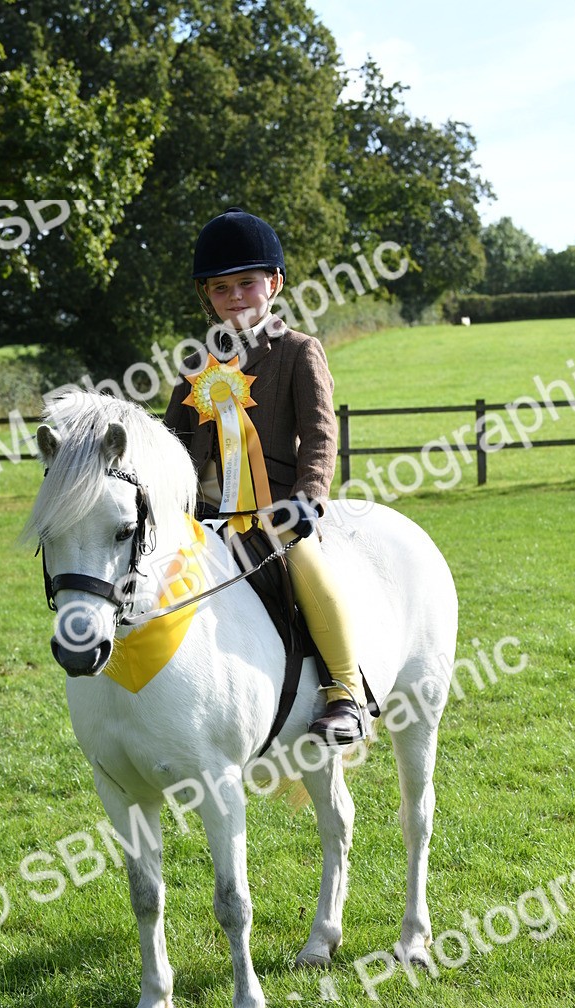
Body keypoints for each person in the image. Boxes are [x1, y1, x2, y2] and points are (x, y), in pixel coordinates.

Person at [163, 206, 368, 743]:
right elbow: (174, 445)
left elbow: (322, 435)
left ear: (273, 284)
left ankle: (345, 691)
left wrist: (308, 498)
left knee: (304, 565)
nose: (234, 298)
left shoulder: (300, 352)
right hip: (203, 517)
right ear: (207, 296)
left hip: (276, 512)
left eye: (247, 284)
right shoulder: (195, 365)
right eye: (221, 288)